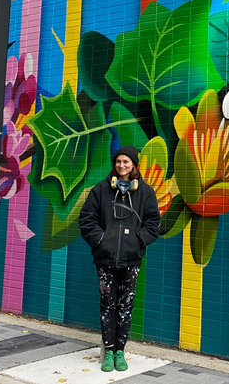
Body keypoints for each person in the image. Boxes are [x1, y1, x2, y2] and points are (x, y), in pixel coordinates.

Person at [78, 145, 161, 372]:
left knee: (125, 306)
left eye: (126, 162)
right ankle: (108, 351)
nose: (121, 165)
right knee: (108, 305)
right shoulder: (100, 190)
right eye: (118, 161)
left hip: (131, 260)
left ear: (134, 164)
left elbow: (153, 224)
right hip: (104, 259)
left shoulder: (145, 192)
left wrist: (137, 241)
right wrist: (101, 240)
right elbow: (86, 220)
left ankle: (120, 352)